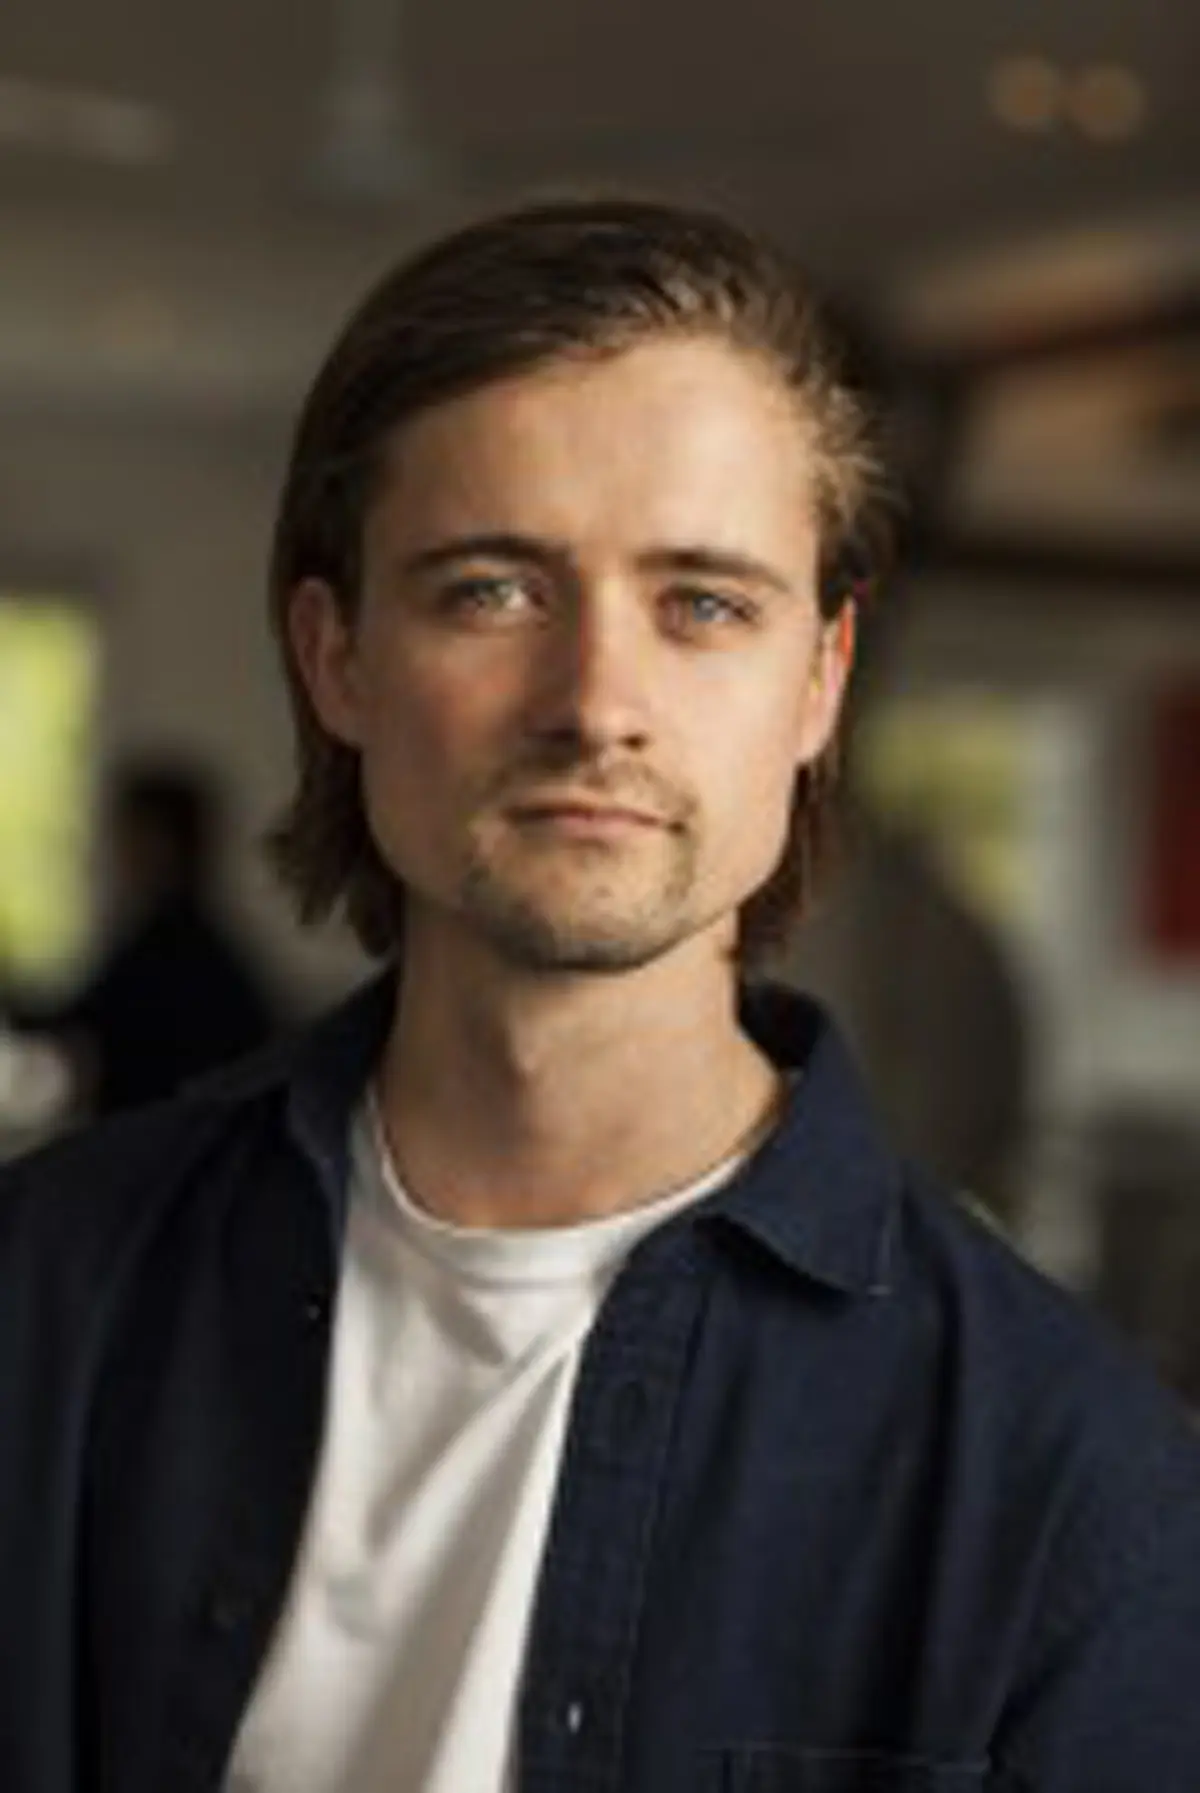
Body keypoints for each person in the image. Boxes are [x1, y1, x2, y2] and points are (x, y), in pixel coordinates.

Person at [1, 199, 1198, 1793]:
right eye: (492, 590)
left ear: (819, 685)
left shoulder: (1071, 1484)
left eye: (703, 603)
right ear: (336, 655)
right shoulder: (42, 1295)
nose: (597, 704)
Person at [24, 760, 282, 1116]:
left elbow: (66, 1017)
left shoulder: (165, 951)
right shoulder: (200, 947)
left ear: (161, 844)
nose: (117, 855)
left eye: (129, 836)